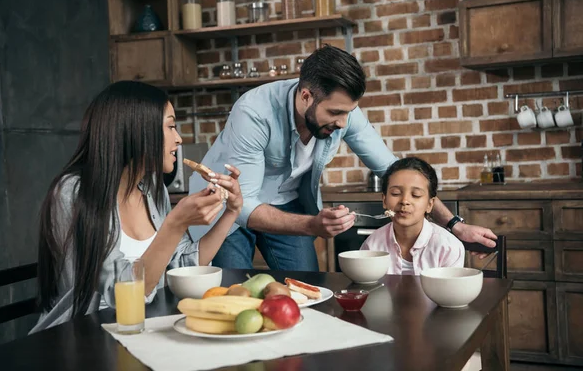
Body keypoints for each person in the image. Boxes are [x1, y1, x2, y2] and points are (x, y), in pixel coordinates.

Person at [188, 45, 496, 272]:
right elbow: (243, 206)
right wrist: (312, 224)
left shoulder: (343, 112)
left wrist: (455, 225)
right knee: (229, 293)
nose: (342, 124)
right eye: (335, 113)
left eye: (348, 113)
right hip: (226, 207)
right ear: (306, 96)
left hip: (285, 204)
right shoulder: (253, 113)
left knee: (309, 289)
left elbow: (397, 171)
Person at [31, 81, 242, 333]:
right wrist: (176, 222)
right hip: (83, 339)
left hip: (141, 330)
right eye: (171, 126)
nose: (178, 138)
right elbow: (119, 294)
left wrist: (230, 212)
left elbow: (182, 267)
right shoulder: (73, 192)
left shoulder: (153, 188)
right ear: (138, 130)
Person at [360, 157, 464, 274]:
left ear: (430, 204)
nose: (404, 201)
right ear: (384, 200)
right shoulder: (372, 245)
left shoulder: (448, 247)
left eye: (416, 195)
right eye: (396, 193)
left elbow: (449, 291)